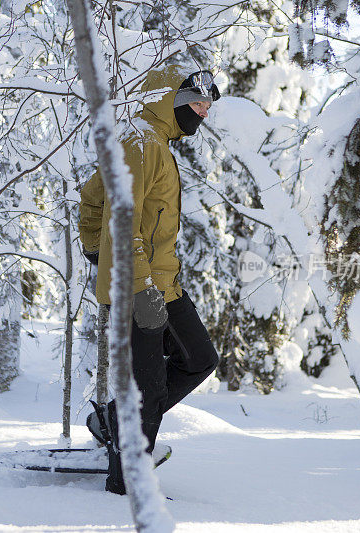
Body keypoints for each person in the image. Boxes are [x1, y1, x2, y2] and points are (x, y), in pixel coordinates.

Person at [78, 65, 222, 495]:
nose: (203, 114)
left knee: (198, 358)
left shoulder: (153, 143)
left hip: (164, 284)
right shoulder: (140, 144)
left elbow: (92, 196)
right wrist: (134, 282)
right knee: (148, 386)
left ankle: (111, 420)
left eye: (207, 107)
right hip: (139, 288)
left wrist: (93, 246)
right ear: (172, 99)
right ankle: (126, 487)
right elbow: (122, 220)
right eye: (198, 104)